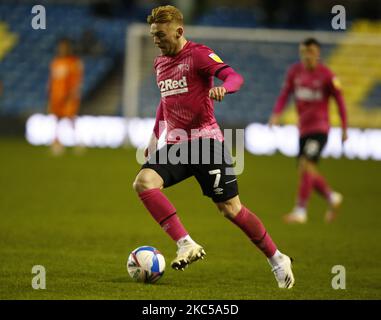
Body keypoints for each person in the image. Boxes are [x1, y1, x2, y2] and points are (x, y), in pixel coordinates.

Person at [133, 5, 295, 289]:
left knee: (231, 209)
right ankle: (186, 244)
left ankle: (278, 258)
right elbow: (165, 102)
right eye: (152, 35)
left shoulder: (198, 54)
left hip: (207, 143)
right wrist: (154, 137)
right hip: (178, 145)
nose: (155, 40)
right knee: (144, 182)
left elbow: (234, 77)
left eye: (160, 34)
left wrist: (225, 88)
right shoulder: (160, 64)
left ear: (179, 31)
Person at [269, 38, 348, 224]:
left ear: (318, 53)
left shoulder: (327, 75)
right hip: (303, 129)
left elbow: (340, 102)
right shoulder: (295, 72)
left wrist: (344, 128)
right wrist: (276, 114)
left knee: (306, 165)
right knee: (305, 169)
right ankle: (331, 197)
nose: (307, 55)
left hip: (320, 129)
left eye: (311, 51)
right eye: (304, 51)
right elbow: (285, 93)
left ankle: (300, 211)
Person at [47, 38, 83, 155]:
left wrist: (71, 94)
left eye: (64, 47)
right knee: (57, 119)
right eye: (61, 47)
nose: (62, 49)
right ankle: (57, 143)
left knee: (70, 118)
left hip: (68, 96)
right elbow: (52, 81)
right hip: (56, 96)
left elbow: (76, 80)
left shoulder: (73, 62)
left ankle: (77, 142)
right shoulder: (55, 62)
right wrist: (50, 94)